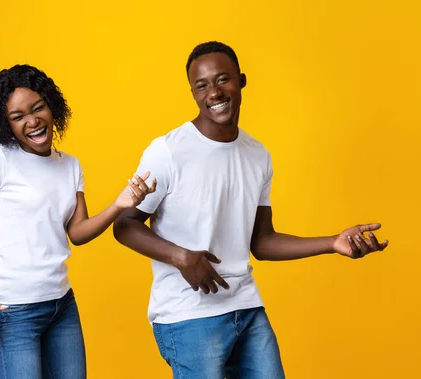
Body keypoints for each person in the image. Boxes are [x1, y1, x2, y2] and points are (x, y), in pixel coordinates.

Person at [112, 41, 388, 379]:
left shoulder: (258, 155)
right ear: (193, 93)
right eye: (202, 85)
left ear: (241, 81)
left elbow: (262, 241)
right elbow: (125, 224)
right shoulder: (167, 151)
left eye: (222, 79)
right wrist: (182, 257)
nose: (213, 92)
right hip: (187, 314)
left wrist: (332, 242)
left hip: (245, 306)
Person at [0, 64, 155, 379]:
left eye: (37, 108)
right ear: (6, 124)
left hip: (61, 306)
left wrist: (120, 204)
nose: (32, 121)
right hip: (13, 313)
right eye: (18, 117)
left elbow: (78, 232)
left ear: (51, 105)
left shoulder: (70, 166)